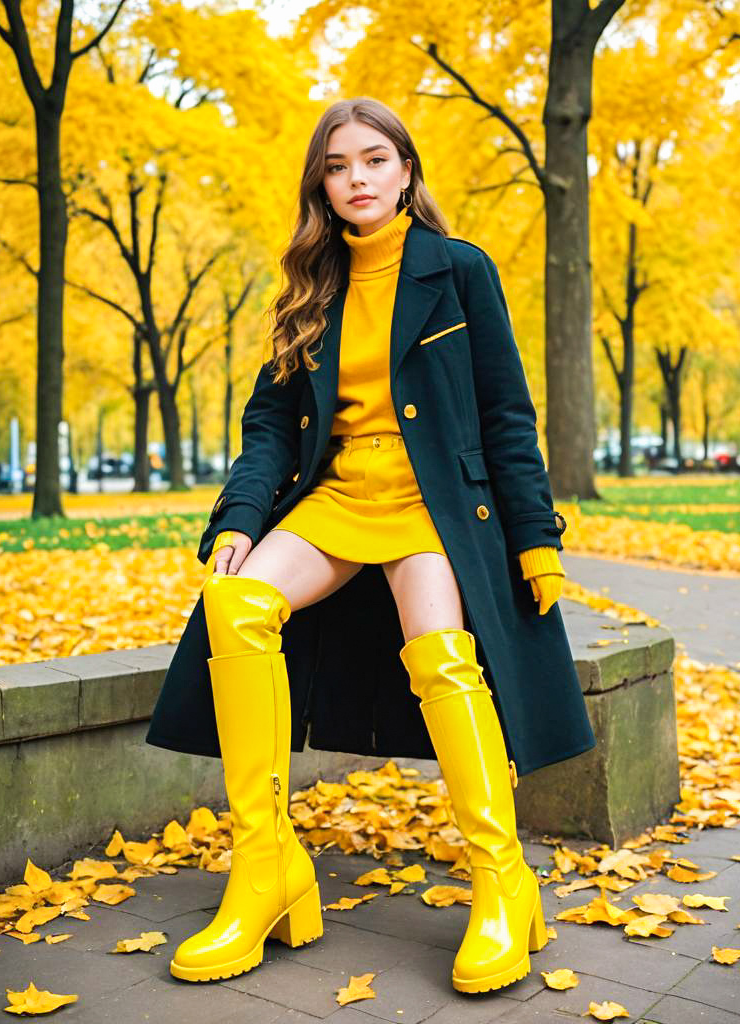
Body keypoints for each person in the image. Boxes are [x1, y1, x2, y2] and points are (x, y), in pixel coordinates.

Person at [145, 97, 596, 995]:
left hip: (433, 502)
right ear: (322, 183)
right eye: (339, 165)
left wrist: (536, 540)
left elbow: (507, 414)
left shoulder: (459, 271)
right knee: (235, 602)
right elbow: (269, 425)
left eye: (375, 160)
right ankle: (266, 866)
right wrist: (238, 518)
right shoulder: (309, 287)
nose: (357, 178)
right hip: (340, 490)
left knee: (440, 656)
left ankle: (503, 881)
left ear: (406, 171)